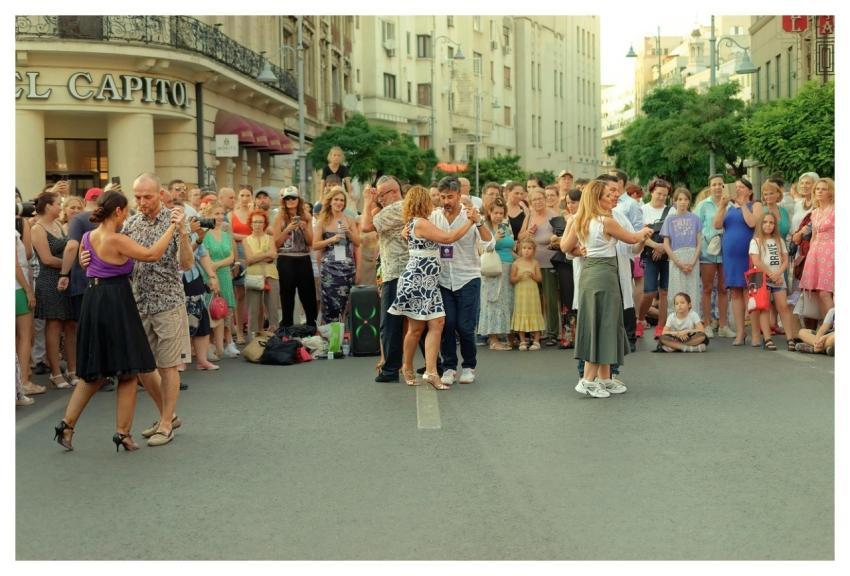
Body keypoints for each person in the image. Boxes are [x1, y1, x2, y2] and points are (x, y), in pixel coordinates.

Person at [54, 190, 181, 452]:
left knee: (94, 374)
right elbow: (151, 254)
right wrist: (172, 228)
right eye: (127, 210)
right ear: (119, 212)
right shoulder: (117, 239)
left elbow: (86, 263)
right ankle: (122, 433)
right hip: (116, 302)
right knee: (128, 371)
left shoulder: (89, 237)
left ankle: (66, 425)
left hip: (93, 300)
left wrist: (83, 260)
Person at [121, 173, 194, 447]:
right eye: (137, 196)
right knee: (143, 367)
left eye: (147, 196)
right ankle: (169, 414)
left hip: (168, 303)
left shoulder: (173, 220)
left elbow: (186, 264)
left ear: (160, 193)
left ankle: (165, 423)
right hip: (139, 303)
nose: (142, 202)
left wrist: (183, 233)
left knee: (168, 366)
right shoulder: (131, 223)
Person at [562, 180, 652, 398]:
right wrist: (646, 230)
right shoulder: (606, 221)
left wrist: (581, 250)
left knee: (603, 322)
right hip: (603, 274)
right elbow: (631, 239)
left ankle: (604, 377)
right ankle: (588, 379)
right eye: (607, 195)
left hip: (591, 272)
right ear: (597, 199)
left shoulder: (581, 220)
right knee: (603, 323)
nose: (612, 197)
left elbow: (565, 247)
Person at [388, 185, 476, 388]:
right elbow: (448, 238)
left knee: (436, 324)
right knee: (416, 329)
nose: (433, 202)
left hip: (428, 281)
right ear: (422, 202)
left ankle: (430, 371)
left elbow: (404, 234)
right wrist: (471, 222)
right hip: (418, 280)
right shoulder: (420, 223)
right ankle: (408, 366)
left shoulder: (415, 223)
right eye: (429, 199)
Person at [433, 176, 492, 386]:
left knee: (465, 326)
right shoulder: (434, 217)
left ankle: (469, 366)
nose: (446, 201)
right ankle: (449, 366)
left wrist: (479, 221)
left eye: (450, 196)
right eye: (442, 197)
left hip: (468, 277)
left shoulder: (470, 215)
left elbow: (489, 243)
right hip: (443, 279)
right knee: (446, 324)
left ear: (459, 195)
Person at [360, 175, 407, 383]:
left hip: (398, 272)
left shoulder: (396, 208)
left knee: (390, 324)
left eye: (381, 195)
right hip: (401, 271)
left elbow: (365, 226)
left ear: (393, 192)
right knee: (416, 321)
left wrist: (367, 201)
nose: (379, 199)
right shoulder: (404, 207)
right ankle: (435, 364)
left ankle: (390, 368)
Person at [31, 191, 77, 388]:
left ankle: (73, 370)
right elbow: (47, 259)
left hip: (66, 278)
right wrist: (69, 265)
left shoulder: (58, 225)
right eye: (58, 203)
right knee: (54, 325)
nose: (61, 207)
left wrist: (68, 268)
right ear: (48, 206)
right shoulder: (37, 228)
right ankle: (56, 373)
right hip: (49, 280)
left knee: (70, 326)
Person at [714, 177, 761, 346]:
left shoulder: (755, 205)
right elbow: (716, 224)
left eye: (742, 187)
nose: (738, 189)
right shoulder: (728, 208)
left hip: (750, 254)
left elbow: (752, 223)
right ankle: (740, 333)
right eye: (737, 187)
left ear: (749, 190)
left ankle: (755, 333)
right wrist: (722, 206)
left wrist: (742, 205)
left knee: (751, 293)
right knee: (735, 292)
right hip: (731, 255)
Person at [749, 212, 797, 351]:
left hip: (778, 278)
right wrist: (770, 274)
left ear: (774, 225)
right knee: (764, 308)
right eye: (765, 222)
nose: (768, 225)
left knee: (783, 306)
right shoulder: (755, 241)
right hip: (761, 278)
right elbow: (756, 261)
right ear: (760, 224)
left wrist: (778, 273)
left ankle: (790, 338)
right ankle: (767, 338)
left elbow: (785, 260)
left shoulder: (779, 240)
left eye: (771, 222)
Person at [313, 186, 361, 324]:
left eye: (341, 200)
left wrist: (349, 233)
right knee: (330, 305)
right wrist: (331, 240)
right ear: (330, 201)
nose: (339, 203)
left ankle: (344, 336)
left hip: (347, 269)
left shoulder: (349, 220)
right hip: (329, 269)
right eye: (336, 200)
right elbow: (315, 245)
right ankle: (331, 338)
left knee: (346, 305)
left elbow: (358, 243)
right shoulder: (322, 221)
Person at [271, 186, 317, 327]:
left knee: (308, 294)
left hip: (303, 258)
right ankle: (287, 325)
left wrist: (304, 228)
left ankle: (311, 324)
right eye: (287, 198)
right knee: (287, 294)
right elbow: (276, 243)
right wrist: (287, 230)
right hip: (286, 259)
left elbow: (311, 242)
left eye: (293, 198)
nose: (290, 201)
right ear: (283, 201)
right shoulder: (279, 217)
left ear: (299, 199)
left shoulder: (307, 217)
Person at [519, 188, 560, 345]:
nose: (537, 202)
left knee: (550, 298)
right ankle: (539, 331)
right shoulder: (529, 216)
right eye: (534, 200)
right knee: (535, 299)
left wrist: (550, 238)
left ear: (545, 199)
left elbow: (560, 236)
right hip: (531, 264)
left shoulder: (554, 216)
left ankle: (553, 332)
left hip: (549, 262)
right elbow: (520, 236)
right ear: (530, 202)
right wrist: (528, 232)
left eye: (540, 198)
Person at [694, 175, 733, 338]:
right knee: (707, 288)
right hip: (707, 250)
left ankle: (723, 325)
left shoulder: (731, 205)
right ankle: (707, 323)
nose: (717, 187)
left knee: (724, 288)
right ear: (710, 187)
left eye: (720, 184)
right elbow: (696, 228)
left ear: (724, 187)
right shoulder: (703, 205)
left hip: (726, 249)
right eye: (714, 184)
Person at [202, 201, 240, 358]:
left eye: (221, 213)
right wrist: (213, 269)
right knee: (211, 311)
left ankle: (227, 343)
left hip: (224, 275)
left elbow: (231, 256)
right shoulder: (204, 235)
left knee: (226, 311)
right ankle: (209, 346)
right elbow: (204, 257)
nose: (219, 217)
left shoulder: (226, 234)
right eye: (216, 213)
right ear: (209, 215)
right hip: (209, 274)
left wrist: (217, 265)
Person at [477, 198, 515, 350]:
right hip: (492, 269)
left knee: (506, 302)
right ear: (489, 213)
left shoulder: (506, 226)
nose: (498, 216)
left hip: (508, 267)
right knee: (492, 301)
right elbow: (481, 250)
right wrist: (494, 239)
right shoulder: (484, 227)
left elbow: (511, 247)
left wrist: (522, 261)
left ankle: (503, 336)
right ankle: (493, 340)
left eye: (501, 213)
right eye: (495, 213)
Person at [638, 178, 672, 340]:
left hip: (667, 255)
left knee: (664, 292)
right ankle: (640, 319)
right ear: (651, 192)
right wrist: (655, 246)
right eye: (659, 194)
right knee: (649, 291)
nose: (661, 197)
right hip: (649, 254)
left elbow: (673, 235)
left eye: (664, 195)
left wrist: (663, 249)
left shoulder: (670, 211)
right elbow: (640, 234)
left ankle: (661, 325)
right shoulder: (642, 210)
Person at [799, 178, 834, 319]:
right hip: (816, 252)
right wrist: (810, 255)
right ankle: (827, 330)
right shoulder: (815, 212)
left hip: (832, 252)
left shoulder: (837, 210)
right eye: (817, 189)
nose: (819, 191)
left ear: (830, 192)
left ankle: (836, 328)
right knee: (819, 292)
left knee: (826, 292)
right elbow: (813, 235)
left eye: (823, 189)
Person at [662, 188, 702, 313]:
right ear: (674, 201)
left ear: (689, 202)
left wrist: (693, 261)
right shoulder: (669, 219)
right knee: (676, 290)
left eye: (686, 199)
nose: (683, 202)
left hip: (692, 257)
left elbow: (699, 242)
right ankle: (676, 323)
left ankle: (693, 322)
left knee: (692, 290)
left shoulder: (695, 219)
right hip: (676, 257)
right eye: (679, 199)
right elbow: (666, 244)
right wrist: (678, 262)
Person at [243, 209, 279, 339]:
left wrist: (257, 257)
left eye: (260, 222)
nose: (257, 224)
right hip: (253, 276)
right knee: (253, 310)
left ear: (265, 224)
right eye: (255, 222)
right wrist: (266, 254)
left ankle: (274, 339)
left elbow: (273, 255)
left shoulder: (270, 238)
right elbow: (249, 259)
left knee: (273, 309)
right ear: (250, 224)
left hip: (271, 275)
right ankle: (253, 342)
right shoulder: (246, 240)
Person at [16, 228, 43, 399]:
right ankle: (24, 382)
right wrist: (28, 291)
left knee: (19, 338)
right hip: (17, 289)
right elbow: (15, 264)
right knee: (26, 337)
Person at [510, 238, 545, 350]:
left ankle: (536, 340)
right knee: (521, 313)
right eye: (524, 248)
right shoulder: (516, 263)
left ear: (534, 250)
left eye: (529, 248)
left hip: (532, 295)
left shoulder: (535, 263)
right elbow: (512, 279)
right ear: (520, 249)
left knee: (535, 313)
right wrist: (519, 277)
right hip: (521, 295)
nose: (526, 251)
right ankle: (522, 341)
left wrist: (533, 276)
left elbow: (540, 278)